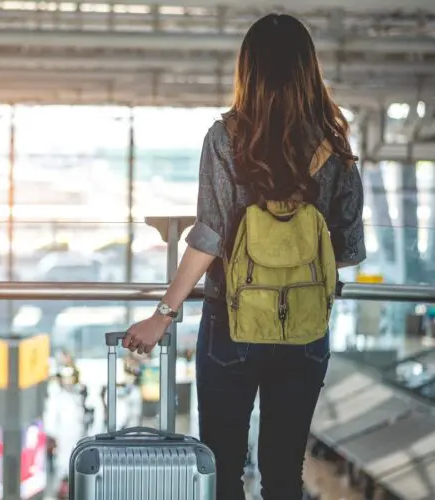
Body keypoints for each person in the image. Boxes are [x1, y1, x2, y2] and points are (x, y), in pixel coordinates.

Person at [123, 13, 365, 500]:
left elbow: (207, 239)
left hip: (231, 324)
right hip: (305, 329)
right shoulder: (335, 147)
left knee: (223, 469)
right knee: (282, 475)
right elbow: (346, 251)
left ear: (248, 70)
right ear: (308, 70)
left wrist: (162, 316)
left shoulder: (226, 138)